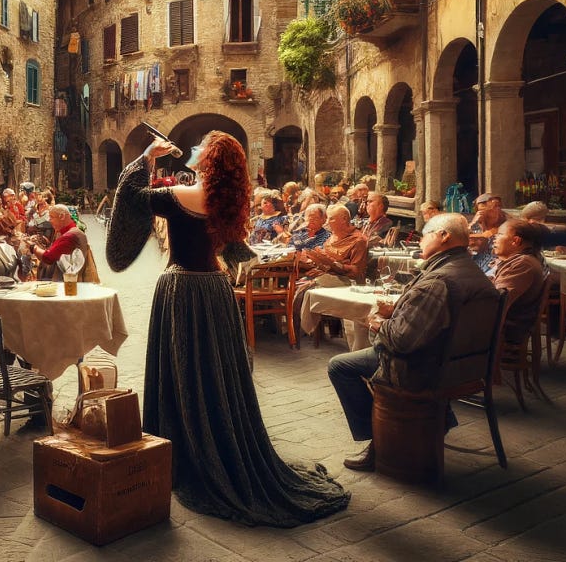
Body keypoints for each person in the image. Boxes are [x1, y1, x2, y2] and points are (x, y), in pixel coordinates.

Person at [105, 131, 349, 525]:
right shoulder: (227, 202)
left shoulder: (184, 197)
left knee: (182, 371)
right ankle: (218, 438)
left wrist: (147, 156)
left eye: (202, 147)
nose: (195, 149)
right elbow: (234, 248)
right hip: (215, 290)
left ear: (210, 161)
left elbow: (131, 197)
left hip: (183, 289)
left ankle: (182, 448)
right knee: (215, 372)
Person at [327, 213, 497, 470]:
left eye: (425, 235)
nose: (419, 241)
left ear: (443, 236)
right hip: (464, 366)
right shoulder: (471, 270)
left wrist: (376, 322)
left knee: (340, 366)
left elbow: (401, 341)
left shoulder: (439, 280)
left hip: (425, 368)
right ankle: (441, 420)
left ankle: (377, 443)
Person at [294, 204, 370, 336]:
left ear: (345, 219)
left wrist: (335, 264)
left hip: (348, 282)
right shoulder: (332, 237)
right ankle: (296, 331)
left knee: (307, 288)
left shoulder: (358, 240)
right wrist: (318, 263)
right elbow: (325, 259)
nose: (328, 222)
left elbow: (356, 272)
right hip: (329, 275)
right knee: (297, 285)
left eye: (332, 219)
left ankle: (300, 332)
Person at [491, 218, 547, 347]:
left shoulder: (523, 264)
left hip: (507, 326)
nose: (494, 238)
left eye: (499, 234)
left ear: (516, 241)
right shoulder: (516, 260)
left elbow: (497, 300)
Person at [21, 204, 100, 283]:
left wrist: (32, 246)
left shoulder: (70, 236)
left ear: (62, 216)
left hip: (65, 283)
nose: (49, 220)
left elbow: (48, 257)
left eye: (51, 217)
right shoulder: (69, 232)